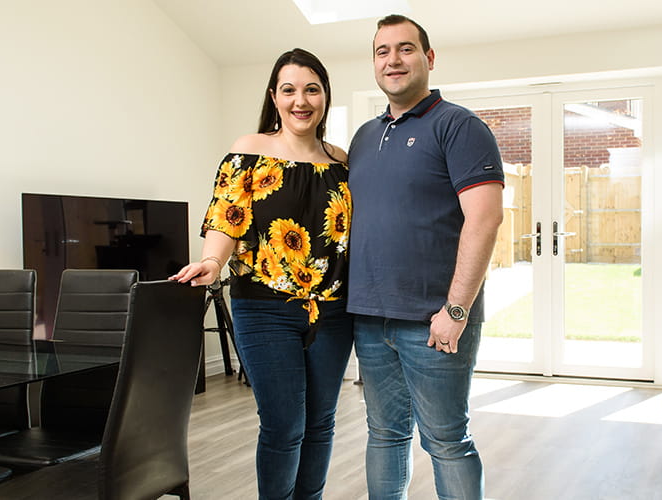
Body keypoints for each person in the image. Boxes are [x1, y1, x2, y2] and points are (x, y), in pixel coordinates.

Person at [171, 48, 353, 500]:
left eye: (312, 89)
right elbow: (226, 219)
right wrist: (212, 261)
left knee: (320, 422)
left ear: (325, 96)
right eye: (289, 90)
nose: (301, 100)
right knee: (284, 424)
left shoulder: (342, 161)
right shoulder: (249, 150)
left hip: (333, 310)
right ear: (274, 97)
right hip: (264, 309)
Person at [347, 14, 505, 500]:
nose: (393, 60)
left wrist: (455, 310)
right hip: (370, 319)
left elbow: (485, 219)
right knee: (384, 434)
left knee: (446, 440)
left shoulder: (459, 126)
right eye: (382, 51)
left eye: (405, 49)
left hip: (436, 323)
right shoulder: (364, 137)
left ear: (428, 58)